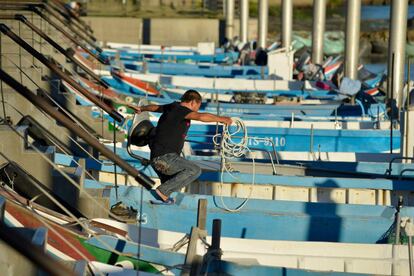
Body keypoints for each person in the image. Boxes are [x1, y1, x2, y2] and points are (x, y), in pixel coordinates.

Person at [132, 90, 232, 203]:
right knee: (194, 170)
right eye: (198, 106)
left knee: (170, 189)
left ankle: (162, 200)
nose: (197, 109)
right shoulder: (181, 110)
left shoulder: (172, 106)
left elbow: (155, 107)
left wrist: (142, 108)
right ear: (193, 102)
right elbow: (201, 117)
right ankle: (163, 191)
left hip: (157, 159)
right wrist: (223, 119)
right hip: (166, 158)